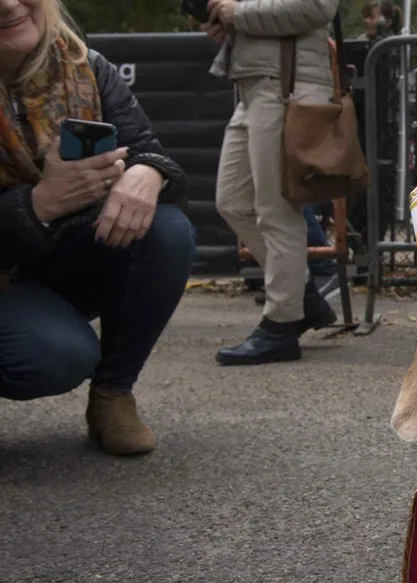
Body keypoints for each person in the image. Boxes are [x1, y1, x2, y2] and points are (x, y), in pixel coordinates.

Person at [0, 0, 194, 454]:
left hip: (50, 261)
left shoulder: (82, 65)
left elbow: (151, 153)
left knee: (166, 230)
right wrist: (38, 204)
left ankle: (113, 395)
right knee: (51, 356)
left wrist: (149, 172)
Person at [202, 0, 339, 366]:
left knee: (276, 210)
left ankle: (280, 325)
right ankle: (301, 295)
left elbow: (318, 6)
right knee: (233, 200)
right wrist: (229, 28)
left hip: (287, 87)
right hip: (258, 85)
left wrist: (237, 15)